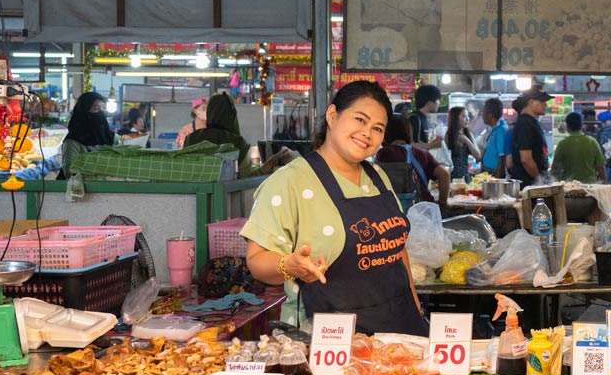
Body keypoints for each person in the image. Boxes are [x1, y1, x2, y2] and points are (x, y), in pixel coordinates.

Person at [242, 80, 427, 336]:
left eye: (377, 128)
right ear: (332, 115)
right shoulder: (289, 182)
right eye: (359, 120)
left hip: (401, 333)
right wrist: (289, 265)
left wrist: (418, 311)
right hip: (328, 341)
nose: (367, 133)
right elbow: (256, 260)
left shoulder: (377, 177)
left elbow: (398, 252)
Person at [185, 94, 292, 178]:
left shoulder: (191, 139)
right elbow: (246, 180)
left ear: (209, 113)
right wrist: (266, 167)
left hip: (190, 201)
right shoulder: (237, 143)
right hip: (228, 202)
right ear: (232, 115)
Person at [375, 113, 450, 208]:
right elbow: (444, 174)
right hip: (423, 210)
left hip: (397, 211)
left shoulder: (384, 154)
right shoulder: (423, 154)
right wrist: (443, 204)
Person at [59, 92, 115, 179]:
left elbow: (123, 143)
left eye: (103, 108)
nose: (101, 113)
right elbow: (69, 171)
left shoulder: (108, 137)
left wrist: (125, 140)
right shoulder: (72, 143)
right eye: (96, 109)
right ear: (83, 113)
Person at [509, 85, 550, 187]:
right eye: (542, 101)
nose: (545, 105)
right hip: (528, 185)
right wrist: (539, 181)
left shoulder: (531, 122)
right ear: (531, 102)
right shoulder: (525, 123)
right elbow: (526, 159)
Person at [550, 111, 606, 184]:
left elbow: (555, 170)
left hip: (569, 187)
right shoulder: (592, 142)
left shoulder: (562, 144)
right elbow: (601, 167)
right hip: (590, 187)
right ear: (581, 125)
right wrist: (604, 184)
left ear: (567, 126)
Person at [444, 106, 481, 183]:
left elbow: (478, 156)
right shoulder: (448, 136)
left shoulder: (468, 134)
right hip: (450, 177)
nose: (468, 119)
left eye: (468, 116)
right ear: (455, 119)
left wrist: (467, 141)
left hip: (465, 177)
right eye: (464, 116)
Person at [477, 97, 508, 177]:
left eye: (483, 113)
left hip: (493, 173)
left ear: (491, 115)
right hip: (488, 171)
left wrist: (497, 180)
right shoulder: (495, 129)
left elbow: (502, 157)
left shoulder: (500, 131)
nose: (482, 115)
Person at [407, 85, 442, 151]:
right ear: (430, 103)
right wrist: (432, 145)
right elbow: (410, 144)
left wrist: (435, 142)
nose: (439, 103)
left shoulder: (423, 117)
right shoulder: (414, 118)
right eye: (438, 100)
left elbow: (419, 141)